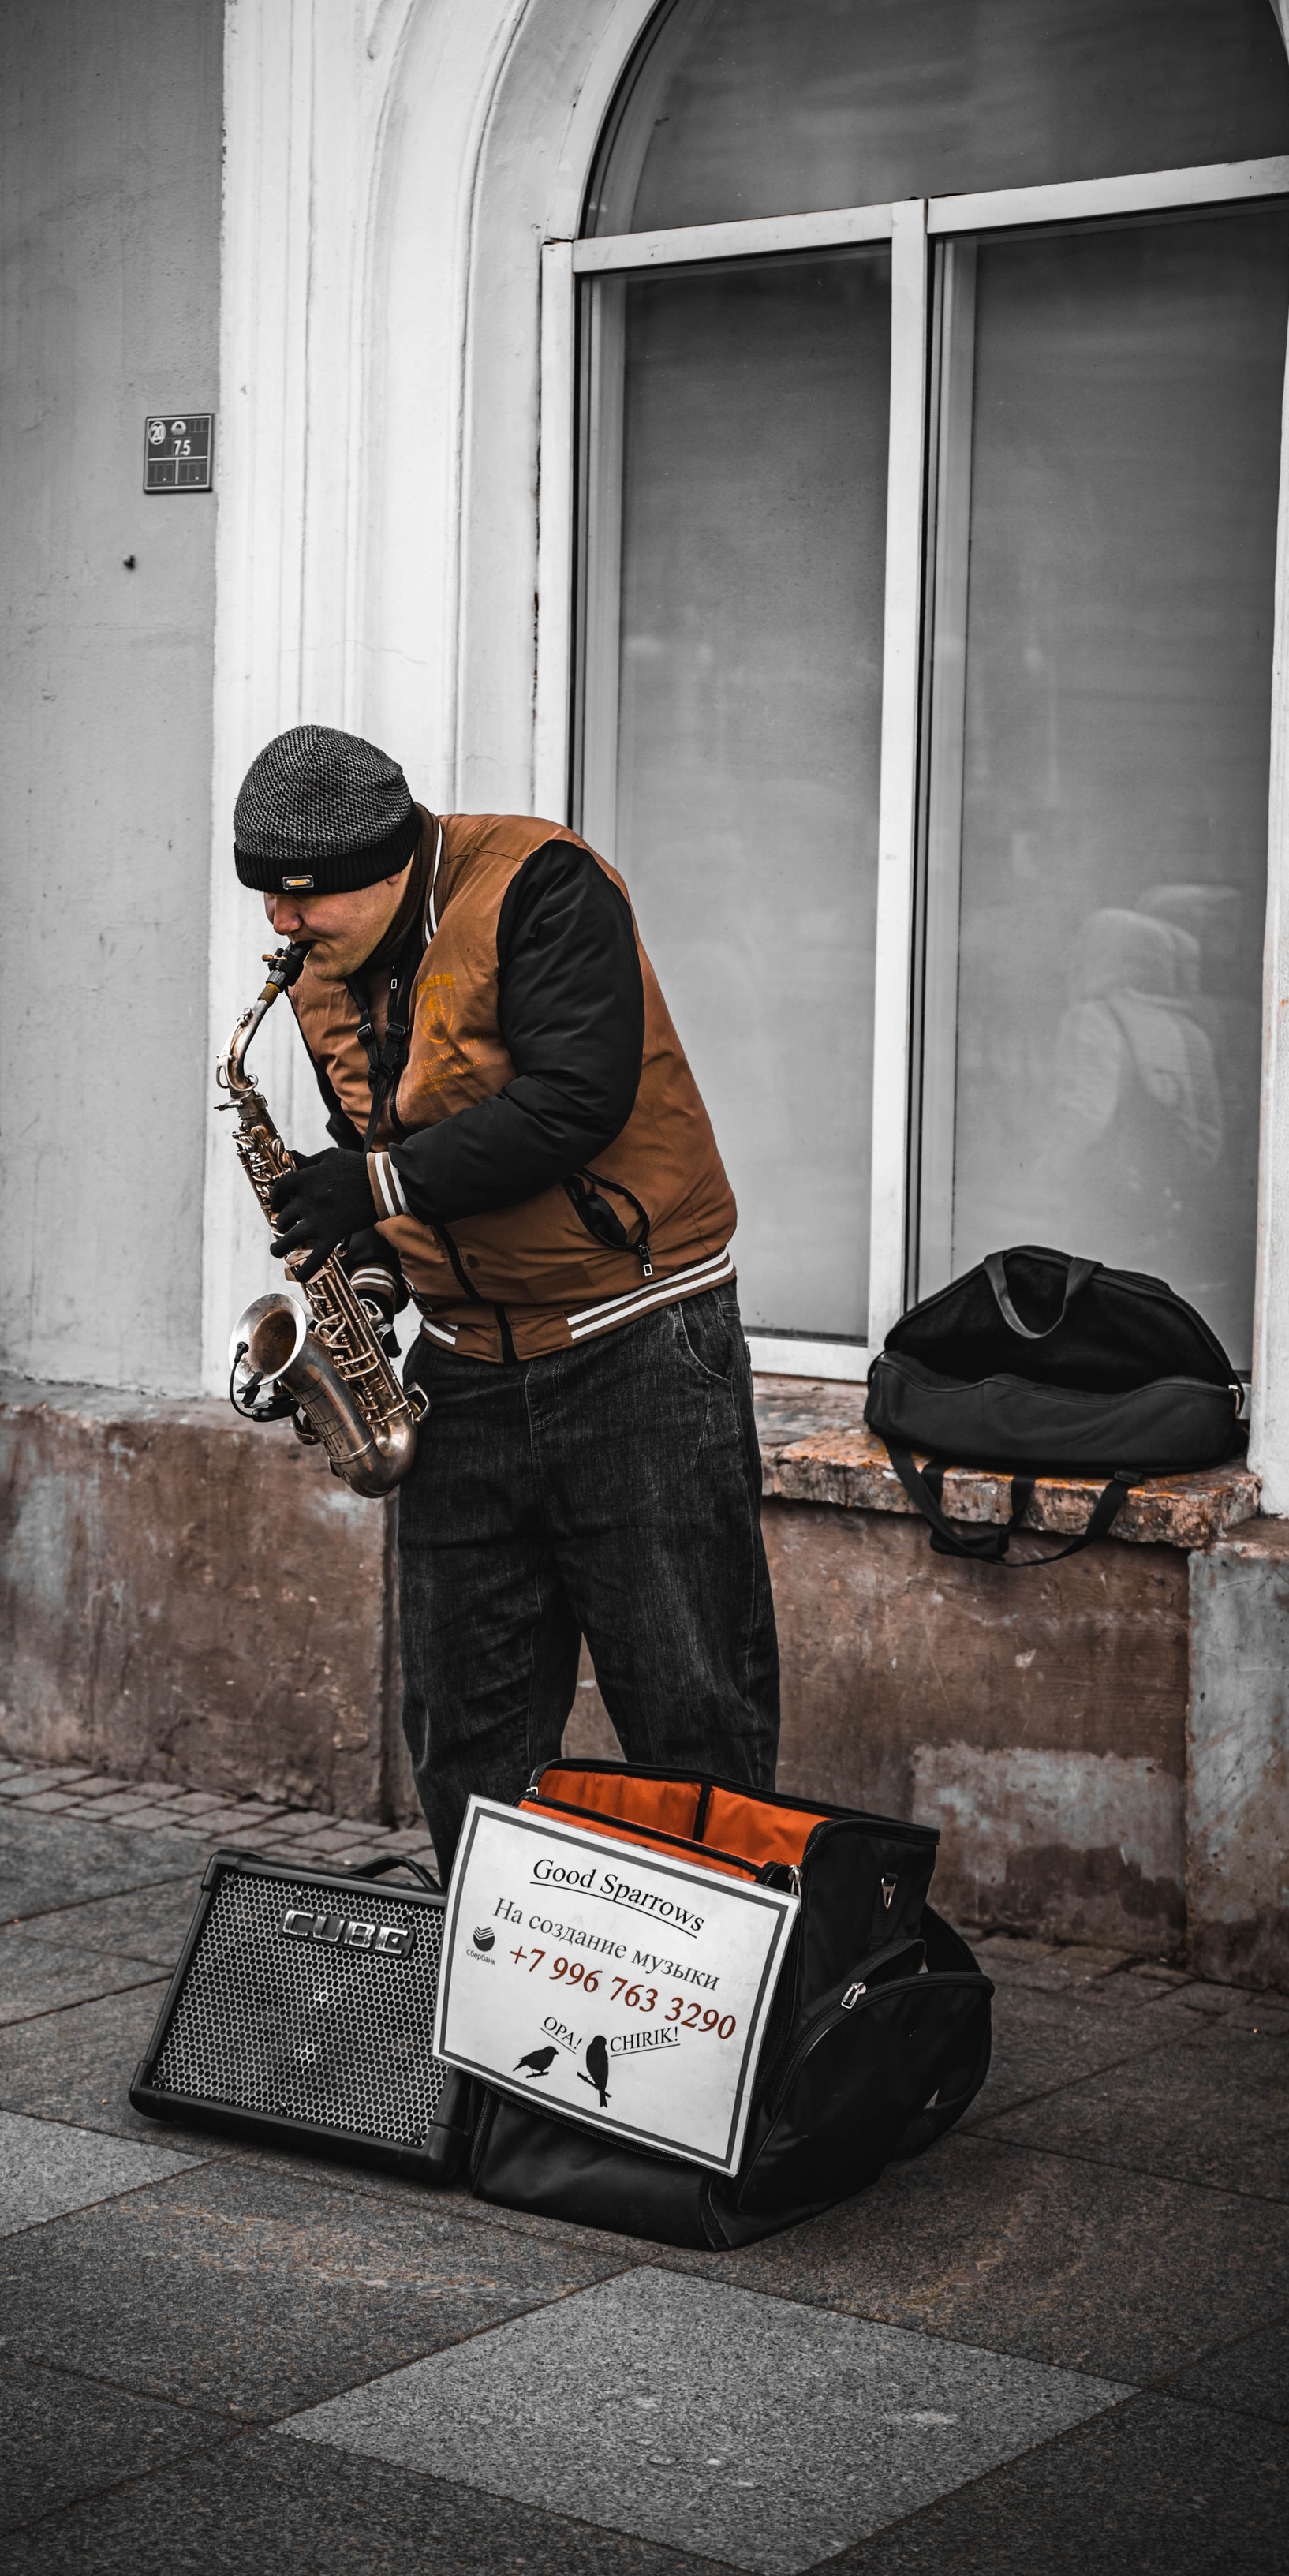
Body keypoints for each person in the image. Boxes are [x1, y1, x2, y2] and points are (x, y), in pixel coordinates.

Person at [230, 722, 779, 1873]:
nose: (279, 927)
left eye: (302, 901)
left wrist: (368, 1182)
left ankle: (714, 2018)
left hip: (635, 1342)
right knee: (464, 1727)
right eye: (266, 900)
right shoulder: (320, 977)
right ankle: (501, 2023)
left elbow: (573, 1103)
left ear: (385, 869)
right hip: (466, 1365)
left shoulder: (543, 885)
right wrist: (366, 1280)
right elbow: (386, 1160)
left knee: (689, 1716)